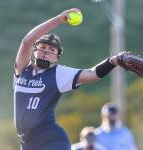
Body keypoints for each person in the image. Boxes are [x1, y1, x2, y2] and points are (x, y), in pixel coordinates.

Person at [13, 8, 122, 150]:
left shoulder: (58, 73)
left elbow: (93, 73)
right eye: (42, 47)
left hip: (51, 138)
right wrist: (58, 19)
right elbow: (27, 41)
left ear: (57, 57)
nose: (46, 52)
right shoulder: (22, 69)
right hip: (27, 143)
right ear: (35, 51)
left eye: (52, 50)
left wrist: (113, 61)